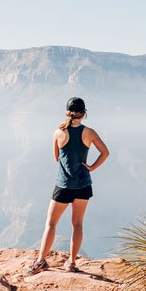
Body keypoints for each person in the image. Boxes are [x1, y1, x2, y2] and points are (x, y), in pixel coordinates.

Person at [26, 96, 109, 274]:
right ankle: (71, 263)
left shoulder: (58, 132)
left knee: (51, 223)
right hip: (83, 185)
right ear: (84, 113)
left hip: (63, 185)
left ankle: (41, 261)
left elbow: (56, 158)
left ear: (67, 112)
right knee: (77, 223)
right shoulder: (90, 132)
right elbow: (105, 152)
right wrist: (92, 167)